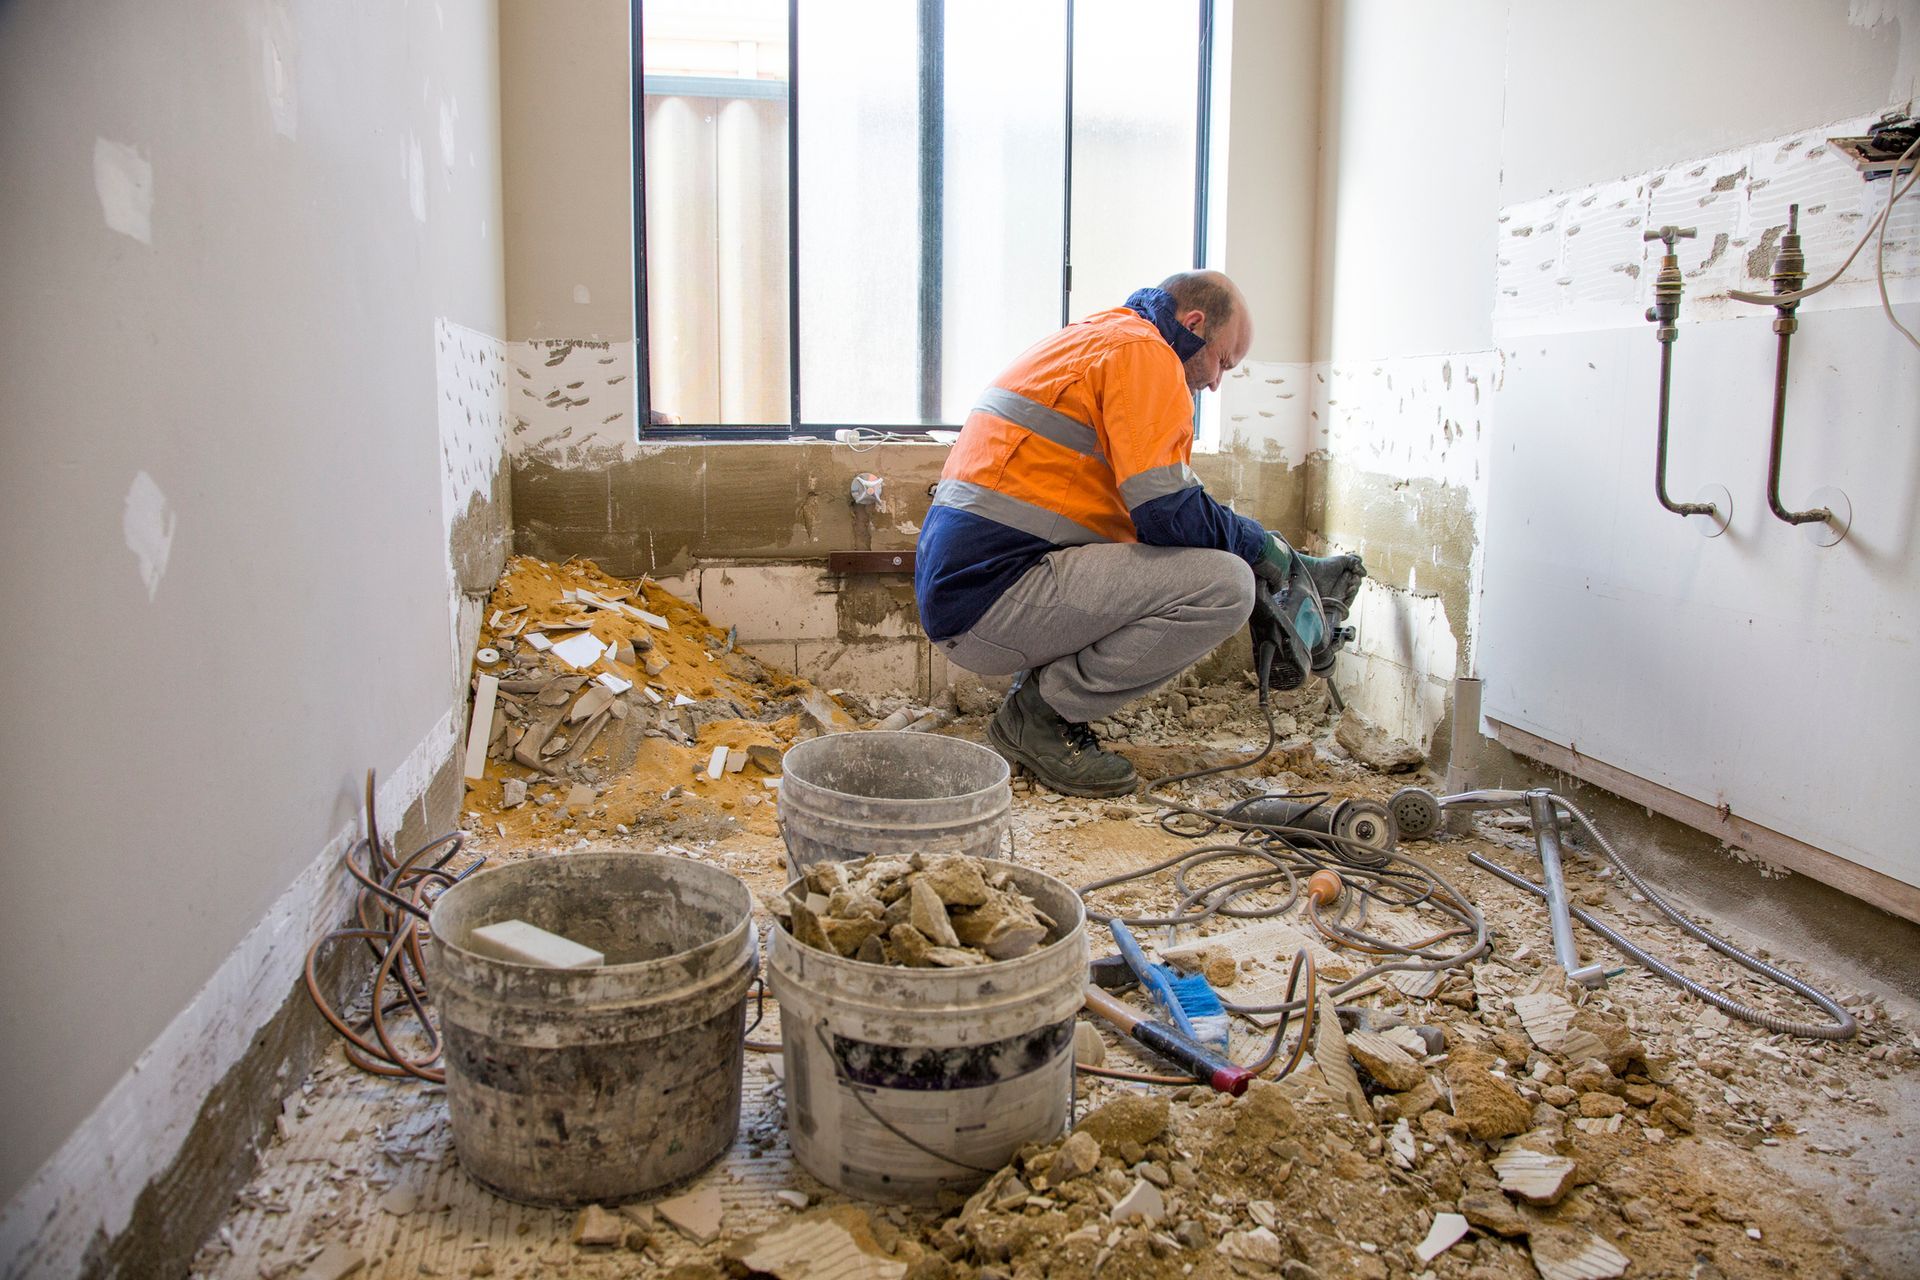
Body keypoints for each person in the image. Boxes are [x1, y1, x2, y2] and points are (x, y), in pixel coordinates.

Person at [914, 270, 1365, 797]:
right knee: (1226, 585)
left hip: (969, 593)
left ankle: (1037, 701)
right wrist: (1262, 548)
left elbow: (1151, 514)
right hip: (990, 602)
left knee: (1200, 561)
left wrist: (1259, 545)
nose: (1216, 383)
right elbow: (1169, 514)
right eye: (1222, 361)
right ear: (1194, 323)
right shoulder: (1145, 354)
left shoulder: (1096, 337)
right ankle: (1039, 717)